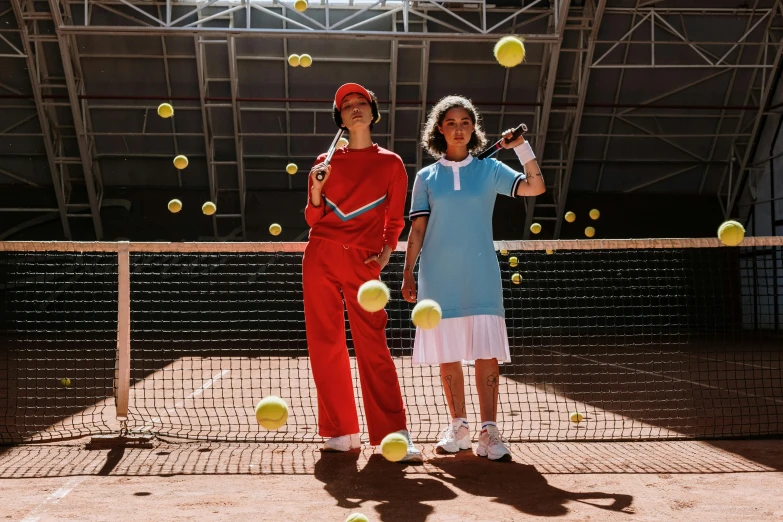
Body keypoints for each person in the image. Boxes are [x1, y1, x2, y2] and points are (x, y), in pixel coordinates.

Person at [401, 95, 545, 462]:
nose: (459, 128)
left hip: (480, 274)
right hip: (437, 278)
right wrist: (407, 273)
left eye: (465, 121)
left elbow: (535, 187)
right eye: (451, 122)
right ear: (440, 130)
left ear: (474, 128)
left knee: (486, 354)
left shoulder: (491, 169)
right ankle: (458, 426)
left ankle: (489, 432)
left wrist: (522, 147)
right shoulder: (426, 177)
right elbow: (417, 231)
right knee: (447, 355)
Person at [303, 83, 422, 462]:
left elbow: (394, 220)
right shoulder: (324, 162)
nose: (354, 109)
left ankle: (393, 435)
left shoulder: (391, 163)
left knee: (373, 345)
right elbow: (311, 217)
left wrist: (386, 254)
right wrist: (317, 189)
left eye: (361, 104)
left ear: (373, 112)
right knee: (325, 345)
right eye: (347, 106)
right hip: (320, 255)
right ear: (339, 117)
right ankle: (341, 432)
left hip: (363, 261)